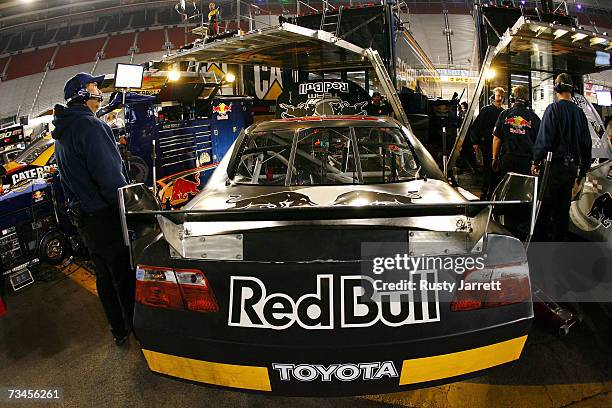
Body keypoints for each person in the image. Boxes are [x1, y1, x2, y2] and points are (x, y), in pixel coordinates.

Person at [52, 73, 133, 345]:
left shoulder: (62, 134)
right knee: (123, 275)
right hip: (106, 216)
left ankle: (118, 330)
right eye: (94, 86)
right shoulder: (91, 126)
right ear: (82, 94)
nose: (99, 90)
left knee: (104, 277)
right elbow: (111, 180)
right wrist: (129, 208)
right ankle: (136, 327)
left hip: (86, 221)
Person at [531, 73, 592, 241]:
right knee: (563, 212)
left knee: (543, 210)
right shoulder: (580, 113)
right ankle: (561, 251)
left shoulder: (553, 109)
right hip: (571, 170)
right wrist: (583, 171)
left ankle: (538, 252)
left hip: (553, 167)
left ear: (556, 88)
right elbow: (586, 144)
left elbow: (544, 139)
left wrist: (536, 160)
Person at [492, 85, 541, 176]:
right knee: (523, 189)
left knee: (507, 188)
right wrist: (536, 163)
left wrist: (495, 158)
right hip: (526, 162)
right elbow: (540, 142)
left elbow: (497, 138)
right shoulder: (534, 118)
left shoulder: (504, 114)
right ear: (527, 101)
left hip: (508, 159)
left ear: (512, 99)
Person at [471, 87, 505, 199]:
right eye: (498, 95)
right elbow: (476, 127)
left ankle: (493, 192)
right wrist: (475, 142)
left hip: (499, 146)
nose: (500, 97)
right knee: (488, 170)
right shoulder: (486, 110)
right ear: (493, 97)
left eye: (501, 95)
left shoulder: (504, 113)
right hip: (487, 144)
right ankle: (485, 192)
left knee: (496, 171)